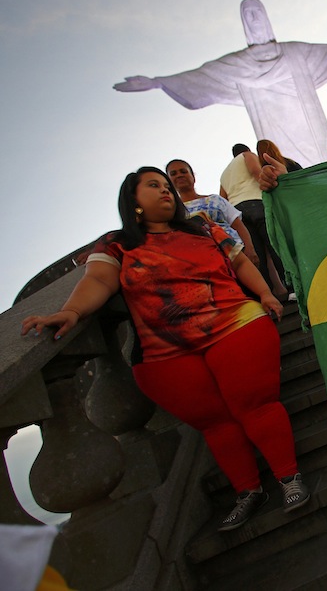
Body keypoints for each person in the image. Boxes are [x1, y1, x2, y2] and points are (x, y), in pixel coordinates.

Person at [21, 167, 311, 531]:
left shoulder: (204, 226)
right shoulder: (116, 243)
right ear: (134, 202)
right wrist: (71, 311)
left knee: (256, 405)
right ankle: (249, 492)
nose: (166, 191)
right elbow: (97, 279)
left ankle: (289, 477)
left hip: (235, 324)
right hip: (165, 352)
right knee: (214, 423)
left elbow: (239, 262)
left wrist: (266, 293)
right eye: (154, 186)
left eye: (168, 186)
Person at [114, 0, 327, 167]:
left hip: (311, 132)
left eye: (257, 12)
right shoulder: (238, 66)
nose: (254, 19)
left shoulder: (295, 53)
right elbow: (202, 77)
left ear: (266, 18)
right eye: (249, 15)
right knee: (286, 164)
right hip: (276, 137)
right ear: (244, 24)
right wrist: (158, 82)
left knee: (323, 161)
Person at [220, 143, 290, 300]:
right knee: (274, 244)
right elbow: (255, 172)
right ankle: (291, 287)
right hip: (256, 203)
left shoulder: (224, 174)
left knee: (256, 254)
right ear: (247, 150)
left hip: (237, 213)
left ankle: (268, 294)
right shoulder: (247, 156)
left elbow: (223, 199)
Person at [166, 159, 260, 266]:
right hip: (203, 262)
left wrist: (250, 249)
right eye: (173, 174)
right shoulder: (172, 212)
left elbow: (238, 225)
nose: (179, 175)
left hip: (237, 255)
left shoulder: (216, 200)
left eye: (183, 171)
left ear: (193, 176)